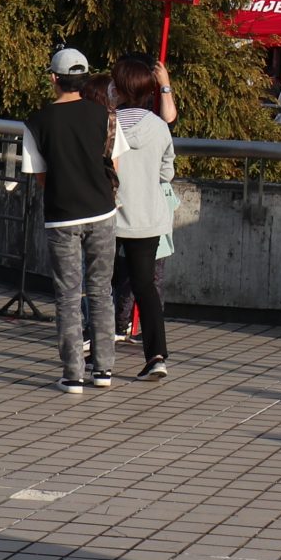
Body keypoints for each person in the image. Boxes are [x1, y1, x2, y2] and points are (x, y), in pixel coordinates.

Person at [22, 48, 127, 393]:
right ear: (84, 80)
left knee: (68, 295)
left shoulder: (36, 122)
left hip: (61, 215)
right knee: (101, 291)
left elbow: (39, 176)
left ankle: (72, 375)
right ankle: (105, 371)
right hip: (102, 212)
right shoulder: (106, 116)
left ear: (53, 78)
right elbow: (116, 163)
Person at [107, 54, 178, 382]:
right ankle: (157, 355)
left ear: (118, 88)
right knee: (145, 287)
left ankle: (98, 352)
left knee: (101, 283)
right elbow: (167, 172)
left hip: (109, 214)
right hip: (148, 217)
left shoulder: (107, 124)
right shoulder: (159, 128)